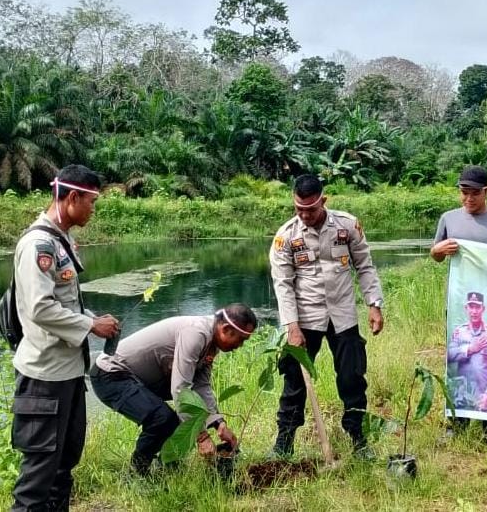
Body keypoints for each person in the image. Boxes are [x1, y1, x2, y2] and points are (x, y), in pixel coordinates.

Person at [10, 165, 121, 512]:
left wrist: (92, 318)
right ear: (72, 197)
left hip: (68, 373)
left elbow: (64, 302)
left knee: (62, 468)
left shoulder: (61, 241)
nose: (92, 209)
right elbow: (40, 309)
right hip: (44, 377)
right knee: (37, 480)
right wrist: (90, 328)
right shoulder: (38, 244)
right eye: (91, 202)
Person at [269, 175, 385, 459]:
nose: (305, 215)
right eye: (299, 209)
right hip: (305, 319)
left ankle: (359, 440)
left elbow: (364, 266)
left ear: (323, 200)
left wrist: (374, 304)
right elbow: (282, 284)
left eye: (311, 208)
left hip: (343, 316)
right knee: (294, 382)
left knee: (352, 379)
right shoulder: (286, 237)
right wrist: (291, 327)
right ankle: (283, 443)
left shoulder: (347, 225)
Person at [90, 305, 257, 476]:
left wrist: (218, 423)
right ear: (226, 329)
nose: (240, 346)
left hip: (136, 378)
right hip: (110, 374)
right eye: (241, 339)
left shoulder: (212, 341)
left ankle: (166, 469)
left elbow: (201, 385)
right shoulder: (196, 334)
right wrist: (202, 437)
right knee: (162, 419)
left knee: (178, 419)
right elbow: (181, 388)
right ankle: (136, 474)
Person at [432, 165, 487, 446]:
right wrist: (437, 251)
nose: (468, 199)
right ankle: (457, 421)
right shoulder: (448, 219)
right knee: (458, 361)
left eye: (474, 193)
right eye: (463, 193)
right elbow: (436, 254)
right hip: (459, 304)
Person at [431, 165, 487, 262]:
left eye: (475, 193)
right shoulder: (447, 218)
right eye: (465, 193)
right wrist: (435, 251)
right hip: (458, 277)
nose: (470, 199)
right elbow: (437, 257)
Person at [446, 292, 487, 411]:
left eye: (478, 307)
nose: (474, 311)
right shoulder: (459, 332)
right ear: (466, 308)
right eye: (471, 307)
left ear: (483, 309)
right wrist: (469, 349)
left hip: (483, 396)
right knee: (459, 428)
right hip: (461, 395)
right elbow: (449, 355)